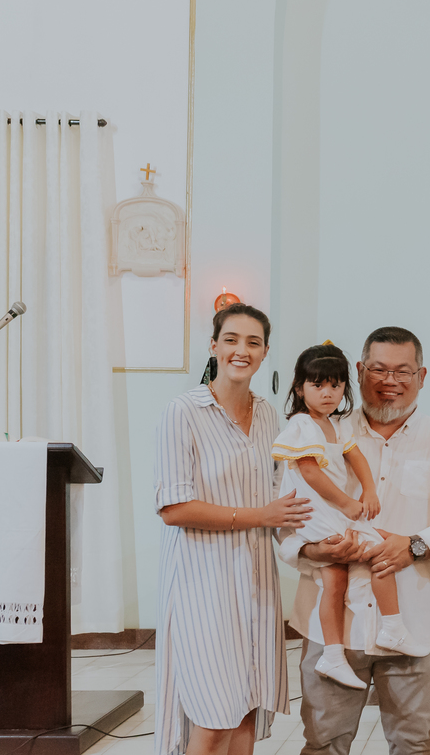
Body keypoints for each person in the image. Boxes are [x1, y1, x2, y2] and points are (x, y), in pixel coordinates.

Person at [278, 327, 430, 755]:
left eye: (403, 371)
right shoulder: (321, 434)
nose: (389, 380)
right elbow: (284, 514)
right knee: (323, 744)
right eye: (377, 369)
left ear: (422, 375)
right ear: (358, 372)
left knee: (414, 745)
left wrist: (414, 545)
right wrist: (311, 549)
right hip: (334, 623)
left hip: (412, 621)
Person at [155, 304, 312, 755]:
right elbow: (173, 507)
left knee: (247, 708)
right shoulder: (183, 411)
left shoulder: (267, 416)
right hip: (201, 584)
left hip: (257, 583)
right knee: (210, 718)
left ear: (264, 352)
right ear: (214, 345)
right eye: (231, 339)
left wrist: (320, 540)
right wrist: (259, 517)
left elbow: (282, 496)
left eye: (253, 342)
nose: (241, 350)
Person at [272, 343, 427, 691]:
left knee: (343, 577)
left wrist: (369, 490)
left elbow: (355, 457)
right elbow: (310, 474)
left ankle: (344, 649)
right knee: (376, 551)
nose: (328, 393)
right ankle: (385, 631)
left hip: (332, 511)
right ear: (299, 387)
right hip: (316, 513)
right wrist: (346, 503)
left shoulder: (335, 425)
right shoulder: (302, 425)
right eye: (318, 385)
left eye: (336, 385)